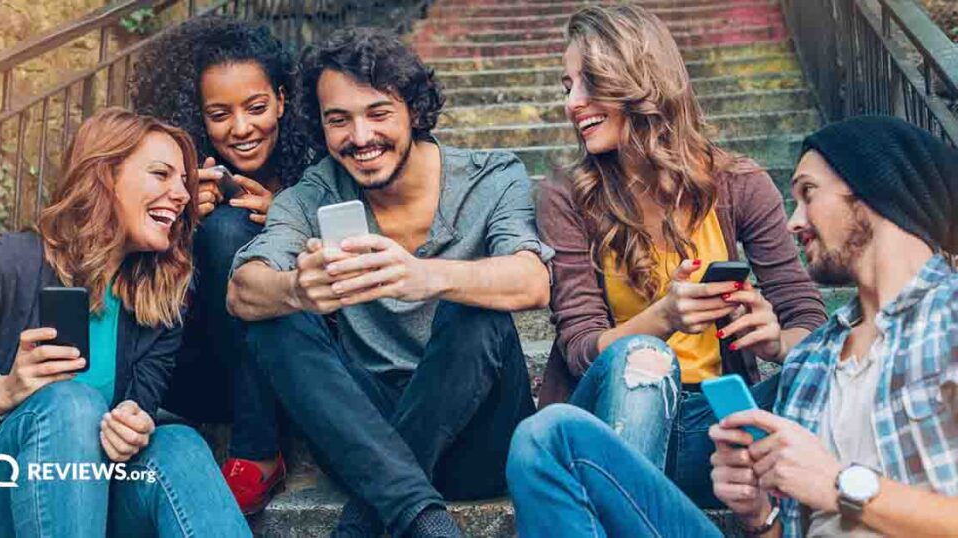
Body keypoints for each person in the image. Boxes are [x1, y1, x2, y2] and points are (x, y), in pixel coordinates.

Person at [507, 115, 958, 537]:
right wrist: (760, 516)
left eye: (808, 193)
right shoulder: (813, 362)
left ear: (875, 193)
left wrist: (842, 486)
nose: (792, 221)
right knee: (548, 435)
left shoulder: (948, 320)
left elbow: (832, 489)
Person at [227, 28, 553, 538]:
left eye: (378, 113)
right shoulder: (311, 194)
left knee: (474, 303)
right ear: (321, 127)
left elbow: (533, 280)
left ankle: (363, 522)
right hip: (364, 435)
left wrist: (428, 275)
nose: (360, 138)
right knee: (276, 322)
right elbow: (243, 289)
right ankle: (422, 516)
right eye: (339, 120)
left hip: (477, 440)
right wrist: (296, 289)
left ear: (415, 112)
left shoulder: (492, 176)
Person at [534, 4, 826, 507]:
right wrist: (663, 318)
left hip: (709, 427)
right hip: (608, 422)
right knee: (645, 358)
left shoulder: (738, 185)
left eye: (590, 83)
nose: (573, 103)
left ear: (640, 81)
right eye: (568, 88)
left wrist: (777, 343)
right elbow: (581, 349)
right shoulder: (567, 195)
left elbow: (808, 320)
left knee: (823, 370)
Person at [0, 108, 249, 536]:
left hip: (79, 503)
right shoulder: (0, 268)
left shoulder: (156, 300)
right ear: (104, 175)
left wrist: (131, 427)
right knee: (70, 404)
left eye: (184, 182)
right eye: (162, 174)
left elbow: (137, 410)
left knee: (179, 444)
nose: (182, 194)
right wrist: (2, 392)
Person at [130, 16, 311, 513]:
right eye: (219, 114)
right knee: (223, 229)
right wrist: (180, 226)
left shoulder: (320, 166)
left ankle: (256, 450)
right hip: (206, 372)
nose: (241, 128)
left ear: (282, 99)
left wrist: (287, 218)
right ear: (200, 118)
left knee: (234, 231)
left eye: (255, 107)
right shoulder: (177, 175)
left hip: (302, 364)